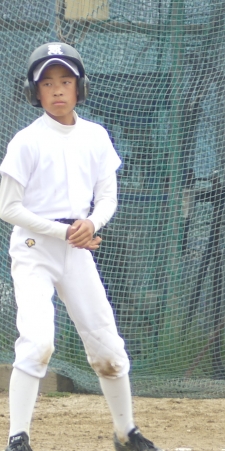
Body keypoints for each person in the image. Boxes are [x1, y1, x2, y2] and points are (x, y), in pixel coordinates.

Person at [0, 42, 162, 451]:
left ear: (80, 88)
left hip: (76, 249)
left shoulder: (95, 136)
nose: (57, 89)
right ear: (34, 91)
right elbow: (8, 208)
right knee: (38, 342)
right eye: (47, 82)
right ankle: (18, 437)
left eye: (66, 80)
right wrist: (66, 232)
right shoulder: (26, 141)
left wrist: (91, 222)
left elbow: (107, 197)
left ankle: (126, 433)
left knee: (108, 346)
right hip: (34, 249)